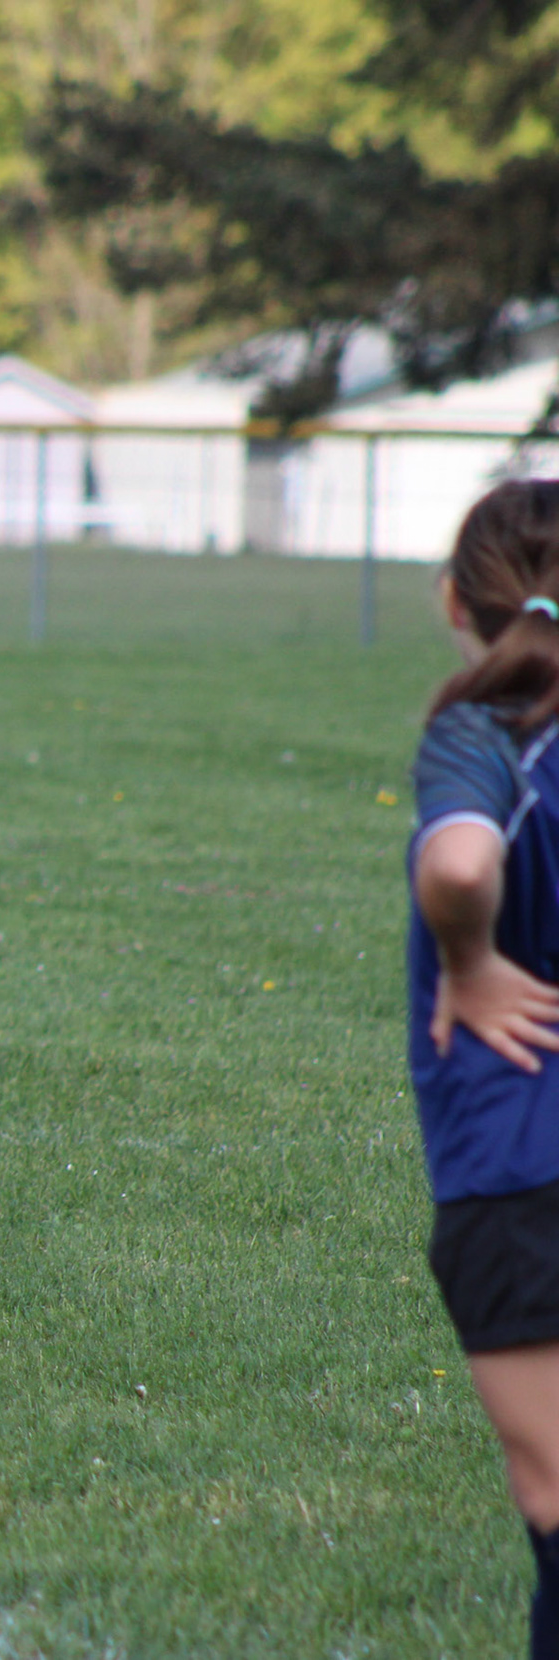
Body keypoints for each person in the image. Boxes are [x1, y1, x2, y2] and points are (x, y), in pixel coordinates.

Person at [410, 478, 559, 1657]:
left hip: (520, 1171)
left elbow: (460, 865)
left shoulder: (483, 733)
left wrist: (470, 959)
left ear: (456, 601)